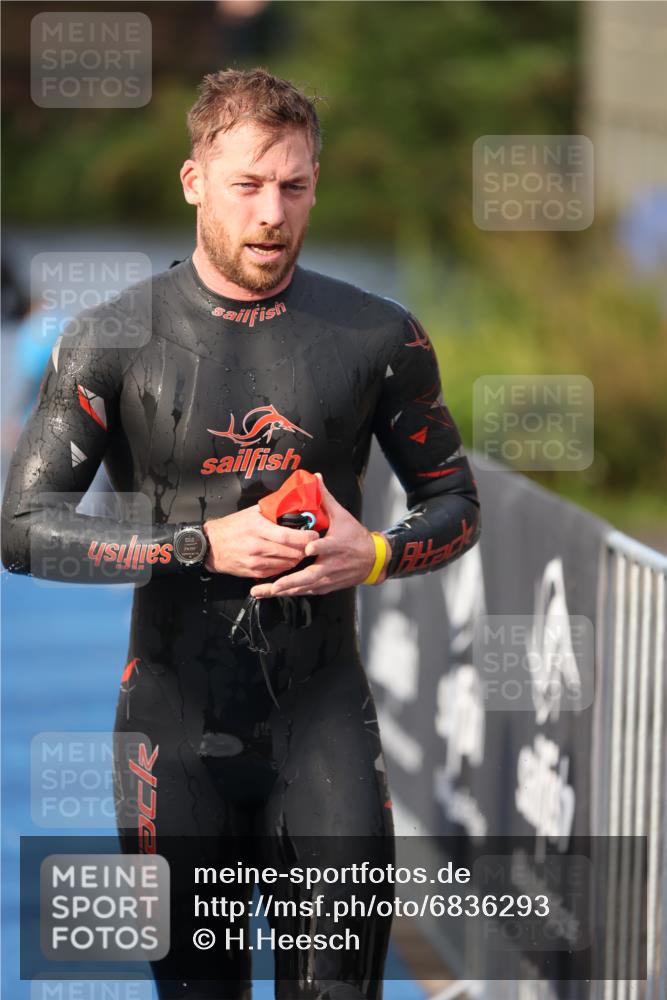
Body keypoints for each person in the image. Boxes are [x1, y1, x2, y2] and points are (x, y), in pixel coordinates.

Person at [1, 68, 481, 999]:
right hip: (171, 730)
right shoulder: (111, 339)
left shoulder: (377, 336)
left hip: (324, 722)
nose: (273, 212)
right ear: (193, 182)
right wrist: (196, 546)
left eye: (294, 186)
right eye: (248, 185)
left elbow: (455, 505)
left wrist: (373, 552)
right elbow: (19, 528)